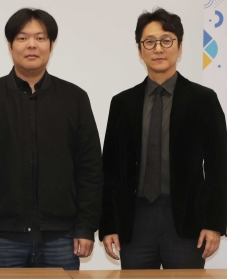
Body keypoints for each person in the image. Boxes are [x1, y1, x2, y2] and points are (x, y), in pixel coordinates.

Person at [0, 8, 103, 270]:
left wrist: (86, 227)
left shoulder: (74, 98)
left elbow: (90, 169)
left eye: (40, 38)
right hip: (0, 238)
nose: (31, 45)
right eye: (22, 38)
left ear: (51, 44)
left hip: (62, 238)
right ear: (10, 45)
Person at [99, 8, 227, 269]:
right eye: (150, 42)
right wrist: (108, 225)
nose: (158, 48)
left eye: (166, 40)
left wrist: (214, 224)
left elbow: (219, 166)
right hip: (135, 222)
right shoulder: (122, 103)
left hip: (185, 222)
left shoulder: (203, 100)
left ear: (179, 48)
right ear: (140, 50)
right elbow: (110, 170)